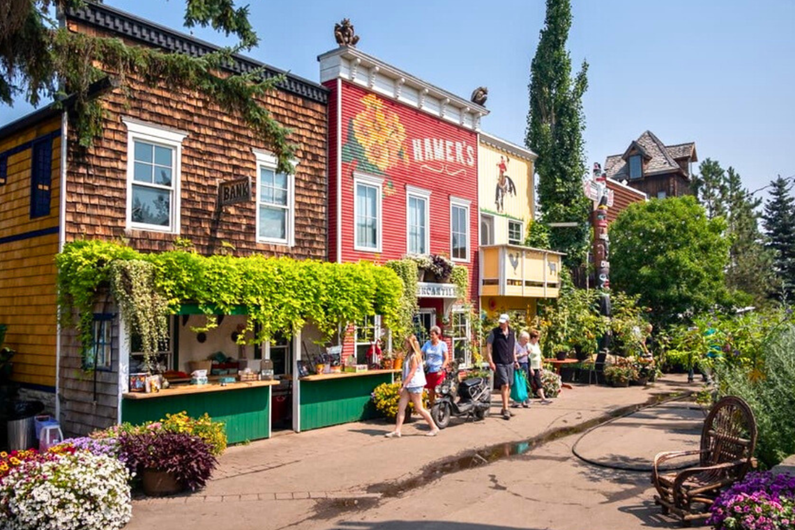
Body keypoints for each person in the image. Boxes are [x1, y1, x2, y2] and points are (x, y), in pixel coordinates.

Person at [385, 335, 439, 438]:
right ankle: (397, 430)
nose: (405, 344)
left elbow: (412, 373)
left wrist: (403, 385)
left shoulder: (414, 356)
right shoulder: (408, 355)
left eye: (406, 342)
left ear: (410, 344)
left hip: (415, 385)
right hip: (408, 384)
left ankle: (434, 427)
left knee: (419, 409)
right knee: (401, 407)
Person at [486, 314, 517, 420]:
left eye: (503, 323)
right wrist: (491, 361)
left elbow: (513, 347)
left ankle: (505, 407)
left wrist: (515, 360)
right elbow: (489, 347)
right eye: (500, 322)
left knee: (510, 385)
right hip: (499, 362)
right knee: (505, 384)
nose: (501, 324)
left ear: (507, 322)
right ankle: (506, 409)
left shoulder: (512, 332)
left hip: (510, 362)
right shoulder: (494, 332)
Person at [422, 326, 450, 406]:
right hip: (429, 371)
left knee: (438, 390)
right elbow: (420, 353)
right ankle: (433, 407)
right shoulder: (427, 344)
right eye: (430, 334)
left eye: (433, 334)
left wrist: (441, 369)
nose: (431, 336)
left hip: (438, 371)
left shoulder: (442, 344)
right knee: (430, 390)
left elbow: (446, 358)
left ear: (438, 335)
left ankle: (442, 406)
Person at [527, 329, 551, 404]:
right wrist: (530, 368)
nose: (538, 339)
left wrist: (541, 366)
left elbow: (539, 356)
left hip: (537, 366)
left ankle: (543, 398)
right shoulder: (528, 345)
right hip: (531, 367)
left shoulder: (536, 345)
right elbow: (528, 358)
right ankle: (526, 398)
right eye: (537, 337)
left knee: (538, 383)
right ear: (533, 338)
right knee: (530, 383)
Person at [513, 331, 531, 408]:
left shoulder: (526, 346)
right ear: (521, 338)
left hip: (525, 364)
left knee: (525, 382)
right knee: (518, 382)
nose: (527, 341)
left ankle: (524, 400)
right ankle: (517, 401)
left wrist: (528, 353)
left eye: (528, 339)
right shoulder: (516, 345)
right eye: (526, 339)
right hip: (519, 364)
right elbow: (513, 355)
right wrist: (522, 354)